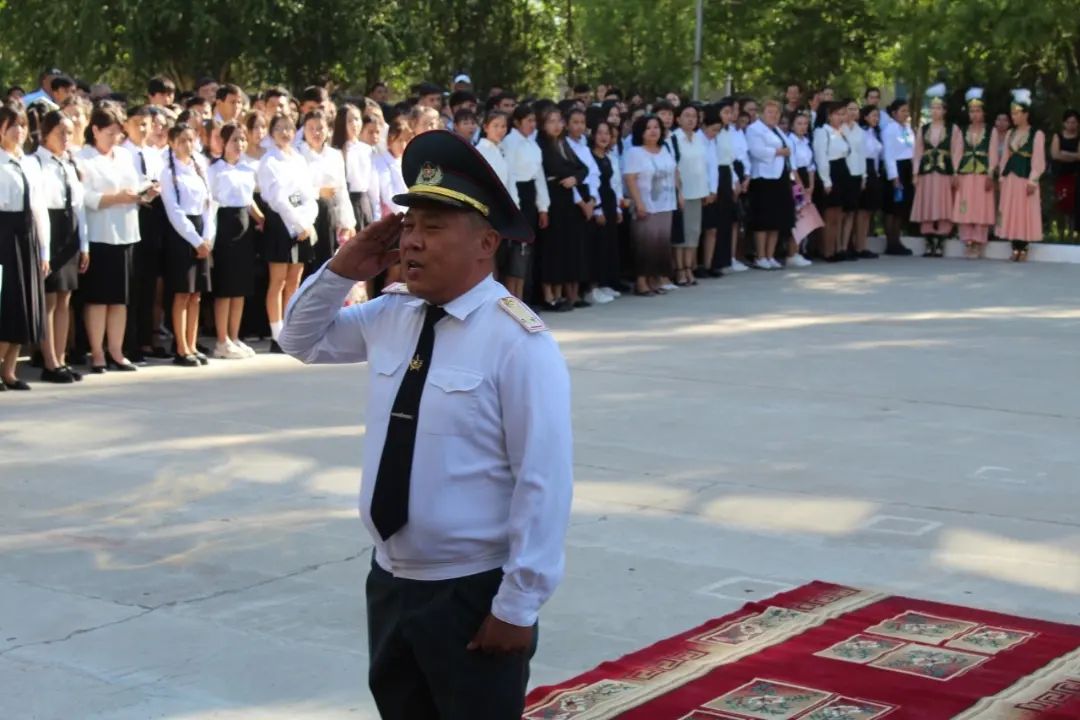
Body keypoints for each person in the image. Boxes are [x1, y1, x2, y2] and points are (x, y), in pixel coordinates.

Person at [278, 129, 571, 720]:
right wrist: (341, 269)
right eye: (408, 226)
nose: (412, 240)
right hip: (390, 582)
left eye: (432, 228)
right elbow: (299, 339)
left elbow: (543, 481)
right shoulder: (393, 313)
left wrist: (518, 604)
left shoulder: (518, 342)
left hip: (470, 590)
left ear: (485, 243)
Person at [78, 103, 144, 374]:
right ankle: (97, 352)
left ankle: (117, 350)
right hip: (100, 233)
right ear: (95, 130)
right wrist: (116, 198)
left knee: (120, 298)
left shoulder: (124, 155)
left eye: (118, 133)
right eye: (110, 133)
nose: (115, 138)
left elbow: (135, 184)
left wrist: (145, 191)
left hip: (126, 231)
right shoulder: (84, 158)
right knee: (99, 298)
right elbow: (85, 197)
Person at [34, 110, 90, 383]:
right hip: (49, 228)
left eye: (69, 133)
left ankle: (62, 357)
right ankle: (49, 361)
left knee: (65, 298)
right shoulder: (36, 163)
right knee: (49, 299)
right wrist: (44, 249)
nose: (66, 138)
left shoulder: (69, 163)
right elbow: (38, 206)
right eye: (60, 133)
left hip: (69, 229)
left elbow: (80, 205)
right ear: (46, 134)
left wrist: (84, 243)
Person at [257, 113, 318, 352]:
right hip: (281, 223)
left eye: (289, 128)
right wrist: (298, 224)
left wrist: (307, 222)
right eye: (279, 128)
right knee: (278, 281)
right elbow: (277, 199)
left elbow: (309, 194)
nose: (285, 133)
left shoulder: (299, 159)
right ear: (272, 132)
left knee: (295, 281)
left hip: (302, 222)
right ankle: (277, 335)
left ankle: (291, 331)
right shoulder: (269, 161)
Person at [0, 104, 50, 390]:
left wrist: (44, 249)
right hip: (3, 236)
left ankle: (9, 371)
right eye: (12, 126)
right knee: (5, 303)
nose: (19, 131)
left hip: (26, 235)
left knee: (24, 305)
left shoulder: (30, 163)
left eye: (22, 125)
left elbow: (39, 207)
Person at [161, 122, 214, 366]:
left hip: (201, 230)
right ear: (172, 143)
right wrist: (195, 239)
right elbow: (174, 211)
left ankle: (193, 344)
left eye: (191, 140)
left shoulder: (199, 167)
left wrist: (208, 236)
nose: (187, 145)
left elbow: (209, 204)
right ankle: (181, 348)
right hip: (182, 235)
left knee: (196, 295)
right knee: (182, 293)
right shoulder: (168, 172)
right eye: (182, 140)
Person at [208, 122, 262, 359]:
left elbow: (248, 201)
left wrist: (262, 219)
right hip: (224, 226)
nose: (239, 144)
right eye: (234, 140)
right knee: (225, 287)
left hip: (244, 228)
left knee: (240, 287)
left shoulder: (247, 168)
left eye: (242, 139)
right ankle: (222, 340)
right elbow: (211, 202)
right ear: (223, 143)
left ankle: (235, 336)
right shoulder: (215, 170)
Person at [121, 105, 168, 362]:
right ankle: (130, 342)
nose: (142, 129)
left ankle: (147, 339)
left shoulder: (154, 154)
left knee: (150, 282)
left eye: (146, 124)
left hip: (153, 217)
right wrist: (142, 191)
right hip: (131, 215)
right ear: (126, 125)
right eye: (137, 123)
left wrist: (156, 189)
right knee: (133, 282)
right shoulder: (122, 153)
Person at [536, 106, 589, 311]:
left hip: (566, 198)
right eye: (551, 121)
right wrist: (571, 173)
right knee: (551, 247)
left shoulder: (563, 143)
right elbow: (554, 167)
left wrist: (574, 178)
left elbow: (582, 168)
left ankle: (559, 294)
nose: (557, 125)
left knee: (563, 248)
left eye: (559, 121)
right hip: (551, 197)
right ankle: (548, 295)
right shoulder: (541, 144)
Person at [623, 115, 678, 296]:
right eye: (648, 128)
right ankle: (641, 282)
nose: (653, 131)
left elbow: (674, 171)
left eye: (656, 127)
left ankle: (655, 279)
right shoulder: (635, 152)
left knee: (661, 243)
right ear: (641, 132)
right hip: (646, 204)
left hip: (666, 203)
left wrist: (679, 193)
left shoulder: (664, 149)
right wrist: (639, 203)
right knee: (644, 244)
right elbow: (630, 178)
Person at [300, 109, 356, 274]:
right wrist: (317, 192)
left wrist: (348, 222)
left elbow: (342, 190)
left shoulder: (335, 155)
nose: (316, 133)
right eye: (311, 128)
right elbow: (293, 192)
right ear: (303, 130)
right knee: (307, 268)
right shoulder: (297, 154)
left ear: (328, 130)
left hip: (330, 215)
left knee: (326, 265)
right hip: (305, 214)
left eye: (320, 128)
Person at [501, 104, 548, 300]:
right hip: (516, 195)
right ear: (517, 122)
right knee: (516, 249)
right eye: (528, 121)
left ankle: (524, 296)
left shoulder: (533, 144)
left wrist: (543, 206)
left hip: (530, 195)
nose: (532, 124)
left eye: (534, 121)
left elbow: (539, 176)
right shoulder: (509, 142)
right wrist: (515, 204)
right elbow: (509, 174)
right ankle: (513, 298)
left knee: (526, 248)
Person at [997, 89, 1045, 262]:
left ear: (1026, 114)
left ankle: (1023, 246)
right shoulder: (1010, 134)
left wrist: (1033, 179)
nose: (1014, 116)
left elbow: (1038, 159)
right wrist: (1001, 177)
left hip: (1025, 178)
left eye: (1017, 113)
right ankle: (1014, 245)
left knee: (1025, 211)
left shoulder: (1036, 134)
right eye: (1012, 113)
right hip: (1011, 178)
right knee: (1012, 211)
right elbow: (1005, 157)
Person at [911, 84, 959, 257]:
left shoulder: (953, 129)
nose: (935, 111)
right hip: (927, 172)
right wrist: (915, 173)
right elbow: (917, 152)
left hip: (944, 171)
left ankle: (941, 238)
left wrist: (955, 172)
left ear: (944, 110)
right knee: (927, 202)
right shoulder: (923, 129)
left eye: (938, 108)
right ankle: (929, 238)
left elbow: (957, 151)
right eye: (932, 108)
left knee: (943, 202)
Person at [746, 100, 794, 270]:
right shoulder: (754, 129)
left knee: (776, 218)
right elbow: (756, 151)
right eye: (770, 112)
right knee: (763, 218)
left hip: (780, 176)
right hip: (763, 177)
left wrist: (784, 152)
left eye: (776, 113)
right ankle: (760, 256)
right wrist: (778, 152)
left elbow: (789, 148)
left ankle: (770, 255)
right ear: (762, 113)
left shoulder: (777, 130)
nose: (774, 116)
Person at [951, 88, 999, 258]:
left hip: (982, 173)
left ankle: (978, 241)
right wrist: (955, 173)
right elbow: (957, 152)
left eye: (978, 111)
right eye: (972, 111)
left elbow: (993, 153)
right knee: (965, 205)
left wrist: (990, 174)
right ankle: (968, 241)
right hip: (965, 173)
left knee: (981, 206)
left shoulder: (991, 131)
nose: (975, 114)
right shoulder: (962, 131)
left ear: (983, 112)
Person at [670, 103, 710, 283]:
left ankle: (689, 268)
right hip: (682, 192)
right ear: (678, 119)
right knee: (682, 234)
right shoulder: (674, 138)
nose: (691, 119)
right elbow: (674, 168)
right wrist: (678, 191)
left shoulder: (699, 138)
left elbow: (704, 166)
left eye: (694, 116)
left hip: (697, 191)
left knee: (693, 232)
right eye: (687, 115)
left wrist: (706, 189)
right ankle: (680, 270)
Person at [814, 102, 857, 262]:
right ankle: (827, 251)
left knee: (838, 214)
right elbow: (821, 157)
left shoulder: (841, 132)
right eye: (837, 114)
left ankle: (836, 248)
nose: (841, 117)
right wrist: (826, 180)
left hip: (842, 170)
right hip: (831, 172)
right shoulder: (822, 132)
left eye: (842, 114)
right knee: (830, 215)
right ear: (829, 116)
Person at [586, 119, 624, 302]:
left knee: (609, 244)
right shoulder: (589, 156)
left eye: (607, 133)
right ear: (593, 135)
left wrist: (617, 208)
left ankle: (605, 283)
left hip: (609, 201)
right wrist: (597, 209)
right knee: (596, 245)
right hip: (597, 203)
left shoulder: (608, 157)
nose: (604, 137)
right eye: (600, 133)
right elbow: (591, 183)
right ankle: (592, 288)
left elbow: (613, 184)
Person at [334, 105, 381, 231]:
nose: (354, 124)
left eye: (357, 119)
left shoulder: (367, 150)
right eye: (349, 120)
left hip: (363, 202)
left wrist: (377, 213)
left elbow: (373, 185)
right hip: (344, 202)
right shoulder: (335, 151)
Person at [881, 99, 915, 255]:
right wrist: (894, 176)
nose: (906, 114)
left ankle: (897, 240)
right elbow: (889, 154)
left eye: (907, 111)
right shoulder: (890, 129)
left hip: (907, 167)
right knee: (892, 207)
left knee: (902, 208)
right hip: (896, 168)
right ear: (894, 113)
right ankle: (891, 242)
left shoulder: (907, 128)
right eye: (903, 111)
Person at [787, 111, 816, 267]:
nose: (803, 127)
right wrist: (801, 188)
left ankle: (799, 250)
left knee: (804, 215)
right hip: (795, 181)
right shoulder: (790, 141)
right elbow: (792, 168)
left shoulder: (806, 141)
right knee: (797, 216)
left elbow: (811, 165)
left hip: (806, 178)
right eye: (799, 124)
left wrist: (811, 185)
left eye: (805, 124)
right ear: (792, 126)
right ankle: (792, 252)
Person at [839, 98, 866, 260]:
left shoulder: (860, 131)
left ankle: (845, 246)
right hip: (843, 174)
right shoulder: (838, 129)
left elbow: (862, 154)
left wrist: (864, 176)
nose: (853, 112)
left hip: (856, 173)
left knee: (851, 212)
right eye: (850, 109)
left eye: (855, 109)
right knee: (841, 213)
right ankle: (837, 247)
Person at [855, 104, 882, 259]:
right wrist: (863, 176)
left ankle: (863, 244)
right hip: (864, 169)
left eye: (877, 116)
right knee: (862, 210)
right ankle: (858, 245)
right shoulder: (862, 133)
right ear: (865, 117)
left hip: (873, 171)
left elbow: (876, 156)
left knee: (868, 211)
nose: (876, 119)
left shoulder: (874, 133)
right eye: (873, 115)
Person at [1050, 109, 1079, 238]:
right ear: (1064, 123)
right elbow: (1055, 155)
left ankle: (1074, 233)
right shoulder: (1058, 136)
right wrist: (1073, 156)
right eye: (1069, 122)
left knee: (1074, 205)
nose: (1071, 125)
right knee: (1062, 203)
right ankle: (1061, 232)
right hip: (1060, 175)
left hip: (1075, 175)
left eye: (1074, 122)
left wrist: (1064, 153)